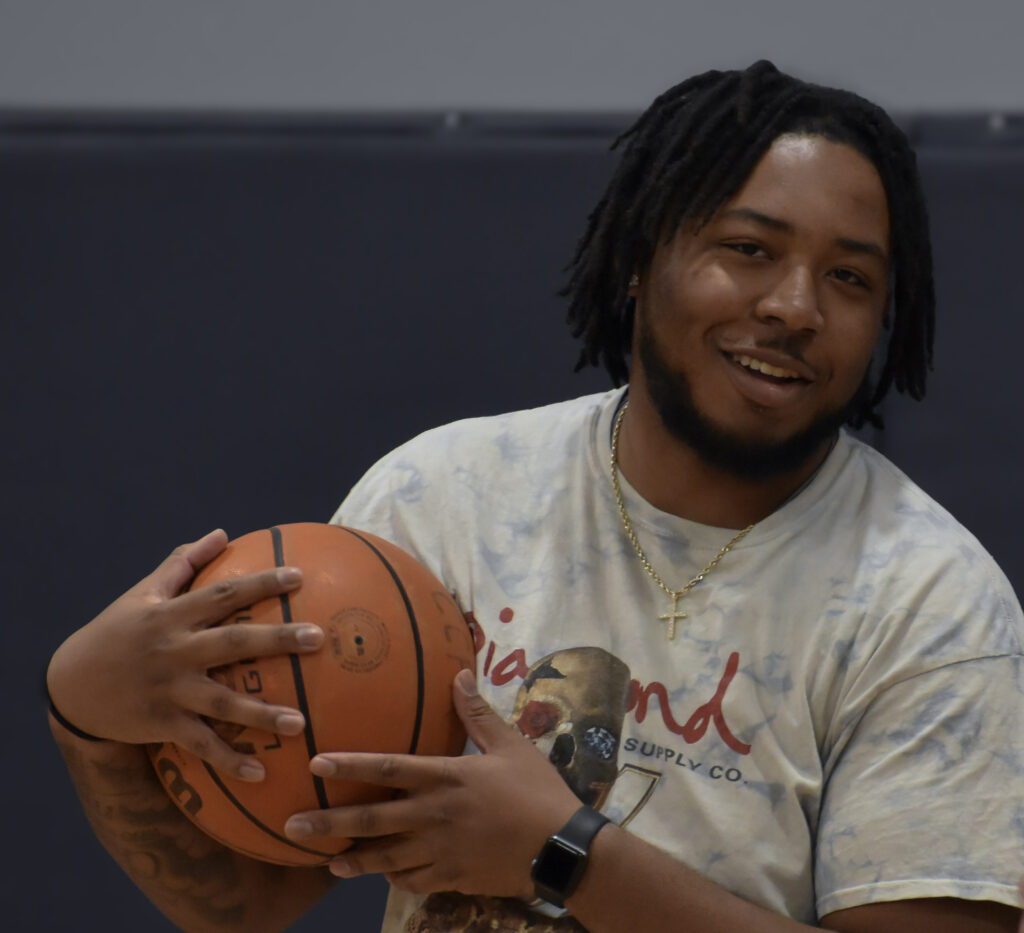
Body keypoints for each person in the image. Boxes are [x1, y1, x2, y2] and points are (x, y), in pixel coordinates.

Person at [47, 61, 1024, 932]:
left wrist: (565, 855)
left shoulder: (932, 608)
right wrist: (91, 718)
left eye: (848, 278)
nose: (794, 306)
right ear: (640, 258)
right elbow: (253, 899)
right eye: (749, 249)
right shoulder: (442, 500)